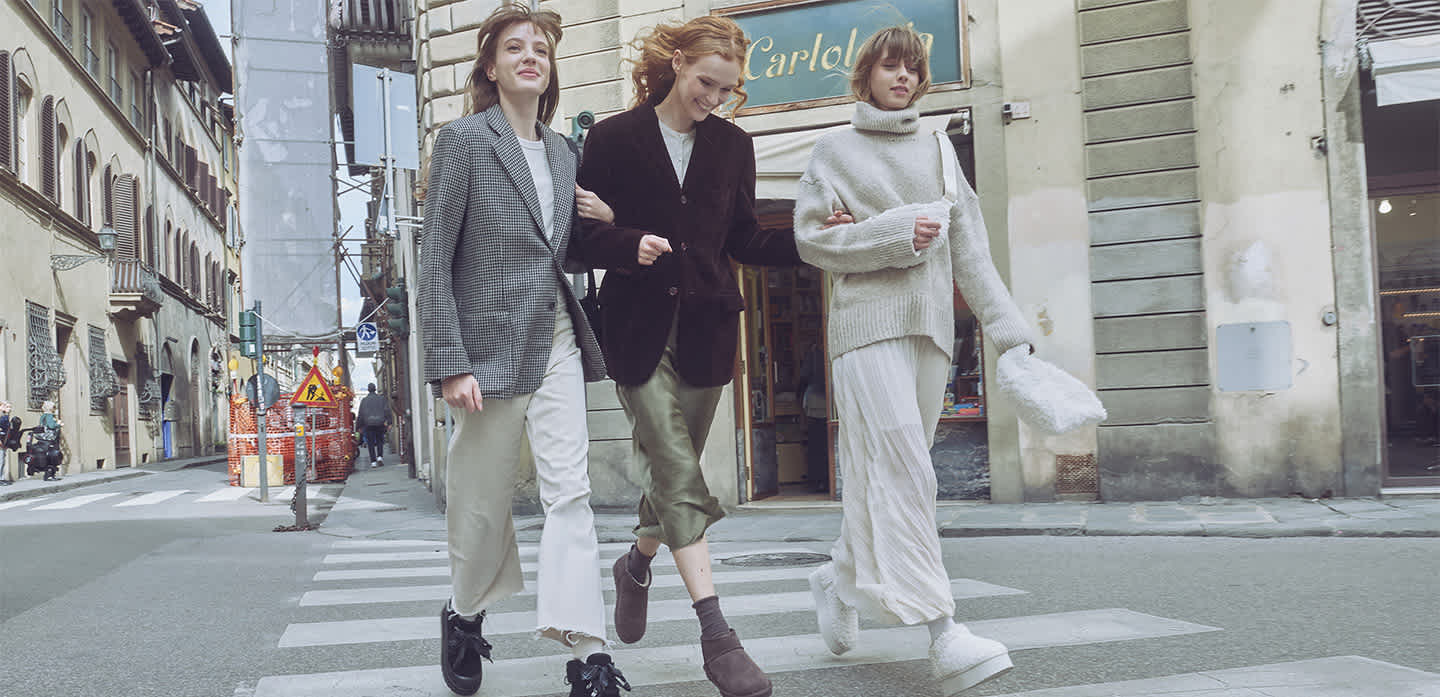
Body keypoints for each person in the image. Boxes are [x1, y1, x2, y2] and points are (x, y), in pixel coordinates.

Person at [791, 24, 1040, 695]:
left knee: (898, 468)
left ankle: (837, 576)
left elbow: (971, 249)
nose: (902, 76)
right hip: (865, 327)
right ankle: (945, 633)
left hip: (931, 329)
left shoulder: (939, 148)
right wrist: (893, 233)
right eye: (890, 66)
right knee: (906, 469)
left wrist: (1007, 330)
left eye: (912, 68)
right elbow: (812, 239)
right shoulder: (833, 150)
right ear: (867, 74)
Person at [573, 15, 801, 697]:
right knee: (674, 465)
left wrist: (812, 238)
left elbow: (745, 240)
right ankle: (717, 635)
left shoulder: (733, 145)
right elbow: (579, 240)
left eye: (726, 90)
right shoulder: (613, 138)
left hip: (707, 330)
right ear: (676, 62)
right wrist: (628, 242)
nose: (714, 98)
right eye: (706, 82)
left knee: (672, 470)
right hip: (637, 331)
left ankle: (636, 563)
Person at [415, 5, 625, 696]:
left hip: (557, 338)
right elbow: (435, 257)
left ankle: (588, 652)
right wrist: (450, 361)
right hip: (486, 350)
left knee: (571, 494)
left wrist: (608, 221)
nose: (530, 56)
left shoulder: (564, 152)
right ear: (491, 66)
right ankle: (464, 612)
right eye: (514, 47)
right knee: (481, 499)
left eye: (540, 48)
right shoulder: (464, 142)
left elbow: (559, 250)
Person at [356, 383, 392, 468]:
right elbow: (387, 410)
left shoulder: (364, 401)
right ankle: (379, 457)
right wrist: (389, 422)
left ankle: (373, 462)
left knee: (370, 443)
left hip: (368, 424)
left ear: (368, 390)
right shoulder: (381, 399)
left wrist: (358, 427)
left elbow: (361, 414)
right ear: (375, 389)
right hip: (380, 423)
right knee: (380, 441)